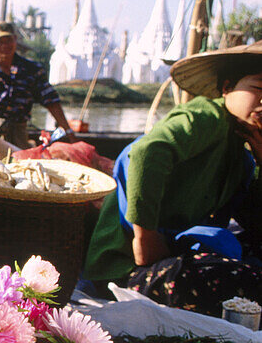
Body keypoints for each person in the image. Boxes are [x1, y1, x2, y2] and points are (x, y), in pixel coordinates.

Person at [84, 43, 262, 316]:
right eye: (258, 89)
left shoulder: (242, 153)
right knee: (244, 282)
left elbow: (254, 223)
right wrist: (145, 236)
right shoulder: (206, 116)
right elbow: (147, 152)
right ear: (227, 88)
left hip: (177, 252)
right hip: (129, 266)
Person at [0, 21, 75, 148]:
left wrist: (68, 131)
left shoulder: (32, 70)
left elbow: (51, 101)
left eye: (8, 40)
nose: (5, 46)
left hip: (19, 134)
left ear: (15, 40)